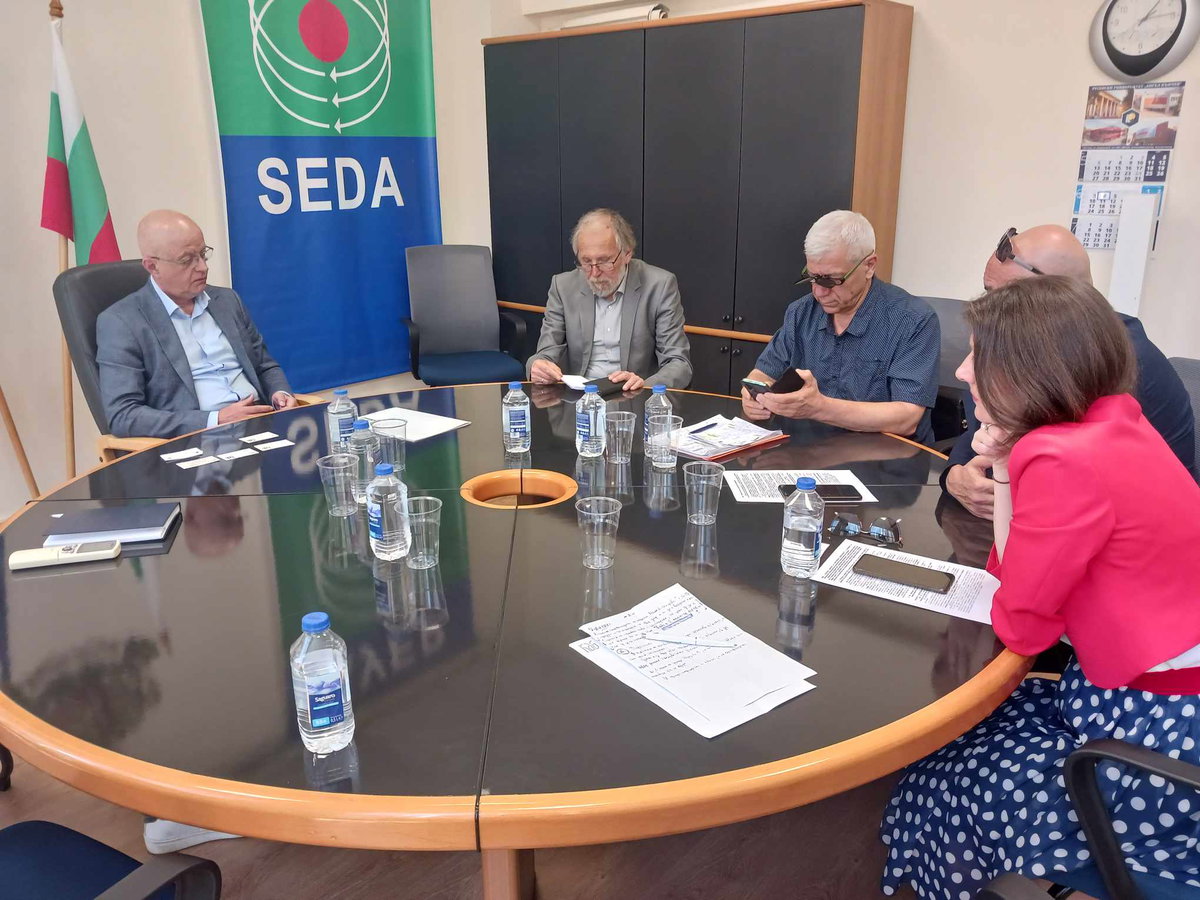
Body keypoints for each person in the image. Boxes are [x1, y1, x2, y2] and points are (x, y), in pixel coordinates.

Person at [881, 276, 1200, 899]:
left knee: (939, 775)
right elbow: (1015, 578)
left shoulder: (1060, 457)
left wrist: (1009, 462)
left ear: (1028, 370)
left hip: (1155, 743)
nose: (963, 371)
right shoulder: (1117, 419)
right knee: (957, 730)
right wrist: (1004, 462)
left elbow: (1022, 625)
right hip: (1149, 705)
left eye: (979, 357)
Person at [944, 224, 1195, 518]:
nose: (991, 315)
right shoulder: (1028, 347)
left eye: (1006, 302)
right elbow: (984, 423)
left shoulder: (1112, 359)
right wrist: (955, 476)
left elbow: (1070, 488)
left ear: (1059, 300)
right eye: (989, 296)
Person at [740, 210, 940, 445]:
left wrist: (819, 408)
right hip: (809, 449)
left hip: (885, 456)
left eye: (831, 280)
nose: (819, 292)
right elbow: (764, 373)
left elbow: (907, 418)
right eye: (813, 278)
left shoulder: (913, 320)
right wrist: (754, 394)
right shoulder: (801, 312)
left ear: (869, 266)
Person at [97, 210, 296, 439]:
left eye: (203, 254)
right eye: (187, 260)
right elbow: (123, 416)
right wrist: (215, 419)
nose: (202, 267)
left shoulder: (227, 301)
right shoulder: (122, 322)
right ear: (152, 266)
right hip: (200, 438)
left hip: (262, 424)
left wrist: (280, 393)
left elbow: (264, 366)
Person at [527, 209, 692, 391]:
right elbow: (545, 353)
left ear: (627, 254)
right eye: (586, 262)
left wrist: (644, 386)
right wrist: (537, 365)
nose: (594, 273)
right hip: (581, 397)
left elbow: (679, 364)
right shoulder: (563, 286)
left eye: (604, 261)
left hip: (633, 397)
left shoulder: (659, 285)